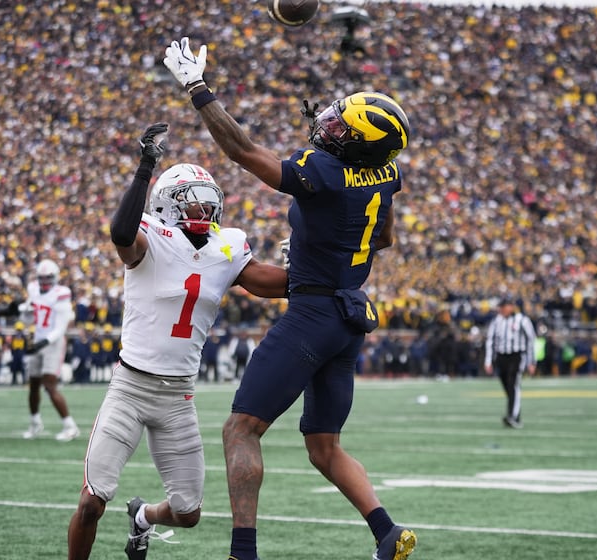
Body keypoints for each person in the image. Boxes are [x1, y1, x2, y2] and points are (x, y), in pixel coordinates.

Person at [163, 37, 417, 560]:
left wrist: (197, 87)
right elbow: (384, 239)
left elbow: (241, 151)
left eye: (343, 127)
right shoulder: (388, 173)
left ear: (360, 142)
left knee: (241, 428)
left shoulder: (323, 171)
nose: (329, 126)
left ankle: (243, 552)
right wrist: (318, 247)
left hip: (312, 314)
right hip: (348, 315)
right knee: (325, 447)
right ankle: (389, 534)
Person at [66, 122, 288, 560]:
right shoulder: (148, 235)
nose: (204, 212)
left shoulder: (227, 248)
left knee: (188, 513)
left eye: (209, 204)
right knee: (92, 500)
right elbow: (121, 235)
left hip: (178, 396)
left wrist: (313, 260)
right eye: (193, 203)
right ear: (166, 204)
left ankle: (143, 517)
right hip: (131, 387)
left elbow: (273, 284)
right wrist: (146, 166)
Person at [20, 259, 81, 442]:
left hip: (53, 343)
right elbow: (27, 320)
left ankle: (70, 426)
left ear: (55, 278)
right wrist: (24, 310)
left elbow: (60, 328)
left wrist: (42, 342)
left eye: (48, 278)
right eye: (42, 278)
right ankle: (35, 423)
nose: (45, 281)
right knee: (33, 385)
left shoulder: (61, 293)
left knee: (49, 384)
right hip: (38, 339)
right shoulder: (33, 289)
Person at [483, 297, 537, 428]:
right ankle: (514, 413)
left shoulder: (522, 320)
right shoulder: (496, 321)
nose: (501, 309)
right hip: (501, 356)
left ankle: (512, 416)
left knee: (513, 384)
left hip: (517, 356)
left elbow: (531, 340)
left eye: (504, 306)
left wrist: (531, 361)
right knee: (507, 385)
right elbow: (490, 340)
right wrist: (488, 360)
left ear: (511, 307)